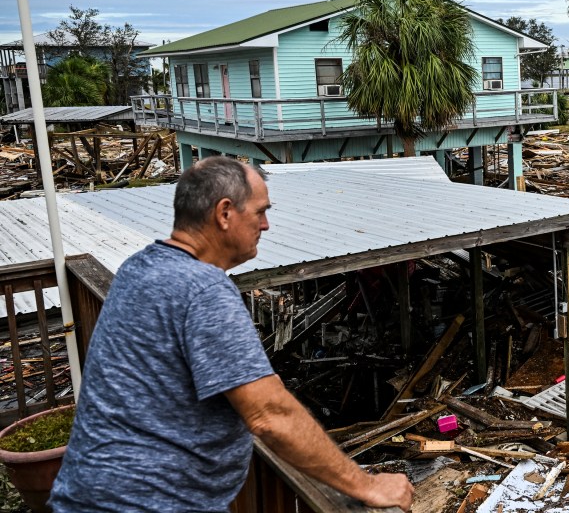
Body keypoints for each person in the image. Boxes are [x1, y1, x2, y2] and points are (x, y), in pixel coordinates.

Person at [51, 156, 413, 512]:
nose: (267, 225)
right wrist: (367, 485)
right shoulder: (201, 288)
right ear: (224, 213)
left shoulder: (139, 267)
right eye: (259, 212)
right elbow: (270, 414)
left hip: (88, 493)